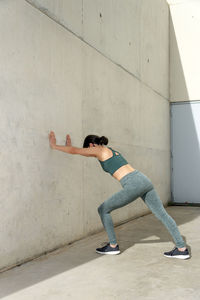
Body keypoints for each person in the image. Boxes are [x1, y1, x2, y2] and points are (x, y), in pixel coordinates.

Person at [48, 131, 190, 260]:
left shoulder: (99, 149)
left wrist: (55, 146)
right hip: (143, 179)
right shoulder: (109, 150)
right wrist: (70, 147)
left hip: (133, 183)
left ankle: (113, 246)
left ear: (91, 145)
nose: (88, 152)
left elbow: (75, 151)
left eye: (88, 149)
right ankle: (181, 248)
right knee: (162, 214)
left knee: (103, 209)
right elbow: (76, 151)